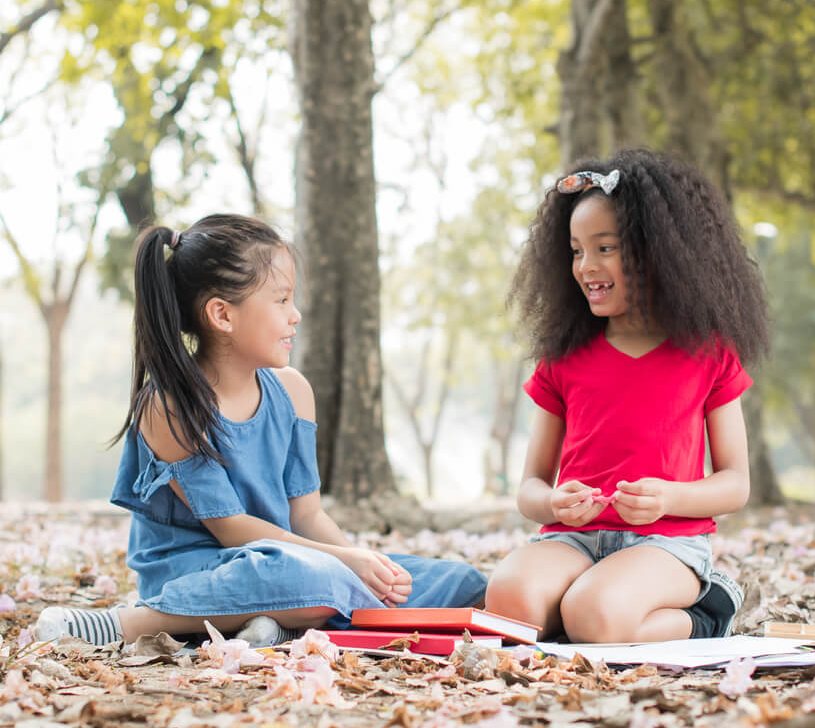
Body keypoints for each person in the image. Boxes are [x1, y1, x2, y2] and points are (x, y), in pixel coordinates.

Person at [36, 215, 485, 647]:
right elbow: (231, 528)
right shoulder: (170, 406)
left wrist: (365, 569)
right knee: (315, 579)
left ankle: (280, 625)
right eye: (282, 300)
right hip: (202, 572)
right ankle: (124, 624)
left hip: (288, 558)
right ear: (222, 315)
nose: (297, 315)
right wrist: (342, 566)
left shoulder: (293, 392)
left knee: (464, 584)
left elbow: (307, 515)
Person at [485, 149, 770, 643]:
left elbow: (735, 484)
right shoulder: (563, 358)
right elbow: (530, 487)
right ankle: (578, 612)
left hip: (667, 545)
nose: (585, 267)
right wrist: (554, 501)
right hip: (572, 539)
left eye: (605, 248)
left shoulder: (708, 354)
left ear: (658, 252)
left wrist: (670, 497)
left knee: (594, 616)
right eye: (576, 250)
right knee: (509, 603)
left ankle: (709, 613)